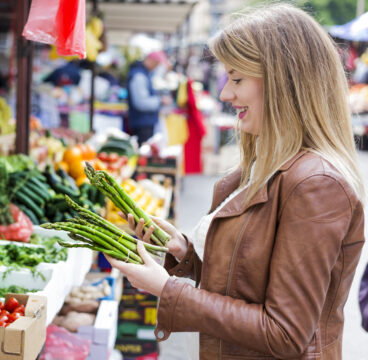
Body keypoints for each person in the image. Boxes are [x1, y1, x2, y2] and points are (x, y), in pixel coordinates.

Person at [107, 4, 365, 359]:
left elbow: (286, 333)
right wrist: (183, 251)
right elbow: (250, 279)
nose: (226, 94)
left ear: (284, 83)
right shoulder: (266, 166)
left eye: (238, 79)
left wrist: (169, 291)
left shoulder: (316, 184)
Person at [127, 51, 169, 145]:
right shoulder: (139, 76)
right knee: (143, 152)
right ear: (151, 61)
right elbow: (141, 103)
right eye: (157, 64)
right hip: (142, 124)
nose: (156, 67)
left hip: (143, 122)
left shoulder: (143, 74)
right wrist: (159, 101)